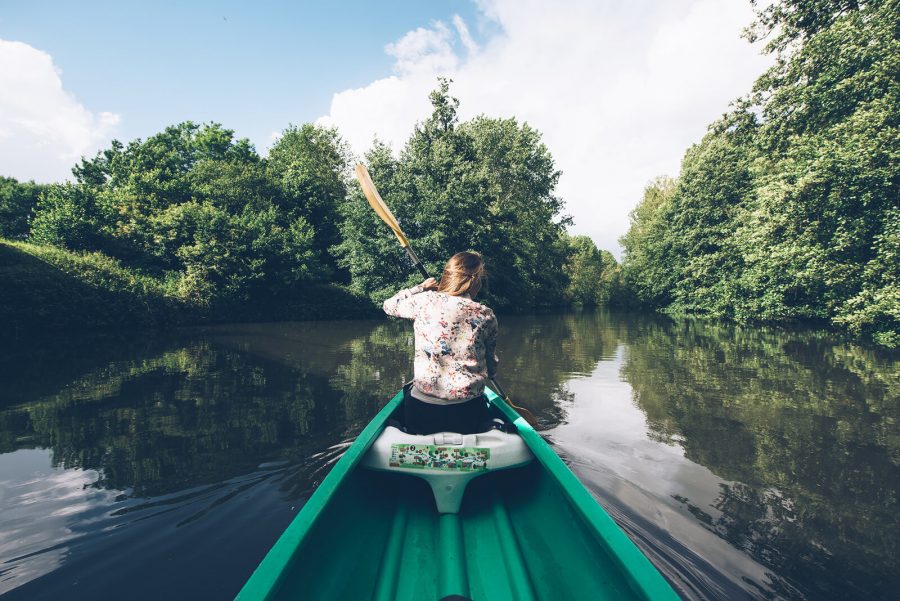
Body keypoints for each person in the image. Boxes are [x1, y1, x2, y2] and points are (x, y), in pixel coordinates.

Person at [383, 251, 498, 435]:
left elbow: (389, 304)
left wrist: (420, 288)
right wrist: (491, 373)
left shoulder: (424, 301)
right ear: (474, 281)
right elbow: (491, 363)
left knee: (409, 401)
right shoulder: (485, 314)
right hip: (467, 411)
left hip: (423, 410)